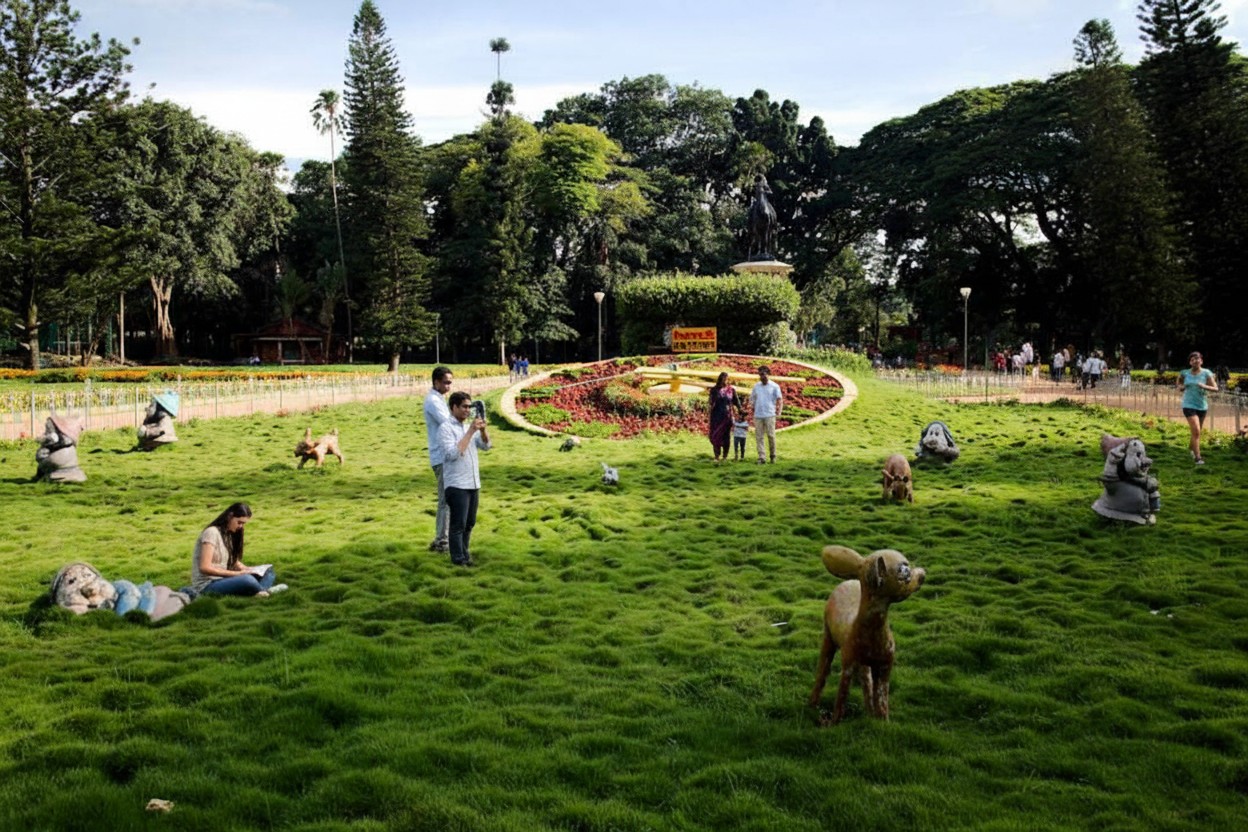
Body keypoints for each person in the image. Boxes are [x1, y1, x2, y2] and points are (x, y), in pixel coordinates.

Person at [438, 391, 492, 567]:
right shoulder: (446, 428)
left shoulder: (470, 426)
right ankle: (458, 559)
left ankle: (464, 554)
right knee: (458, 524)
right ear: (454, 407)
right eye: (464, 407)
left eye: (469, 407)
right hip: (456, 483)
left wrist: (483, 431)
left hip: (473, 482)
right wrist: (470, 431)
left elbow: (486, 446)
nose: (468, 410)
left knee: (470, 522)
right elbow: (452, 454)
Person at [190, 503, 286, 597]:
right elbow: (205, 567)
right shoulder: (211, 532)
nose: (241, 527)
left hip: (223, 579)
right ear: (230, 516)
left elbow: (232, 561)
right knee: (248, 580)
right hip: (208, 584)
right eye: (239, 522)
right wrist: (237, 574)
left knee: (268, 571)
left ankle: (259, 592)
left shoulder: (228, 534)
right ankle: (264, 591)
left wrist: (248, 569)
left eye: (243, 524)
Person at [424, 366, 454, 553]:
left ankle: (443, 539)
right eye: (446, 382)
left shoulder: (440, 399)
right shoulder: (433, 401)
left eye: (450, 382)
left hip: (445, 455)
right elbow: (448, 423)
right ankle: (441, 541)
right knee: (446, 500)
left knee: (449, 500)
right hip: (441, 456)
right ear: (436, 382)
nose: (448, 386)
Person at [1177, 351, 1217, 465]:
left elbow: (1215, 388)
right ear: (1190, 362)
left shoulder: (1206, 373)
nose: (1195, 360)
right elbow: (1178, 383)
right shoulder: (1184, 373)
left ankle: (1191, 449)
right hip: (1188, 405)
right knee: (1197, 431)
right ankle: (1198, 458)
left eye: (1197, 358)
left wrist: (1203, 386)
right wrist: (1181, 387)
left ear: (1201, 361)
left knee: (1196, 432)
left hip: (1202, 406)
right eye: (1193, 359)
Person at [750, 365, 783, 463]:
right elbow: (752, 399)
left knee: (771, 435)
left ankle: (773, 456)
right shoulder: (756, 386)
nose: (762, 377)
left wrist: (779, 411)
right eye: (760, 375)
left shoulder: (774, 386)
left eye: (763, 374)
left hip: (770, 414)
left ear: (768, 374)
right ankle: (762, 457)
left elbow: (780, 400)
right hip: (758, 415)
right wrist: (752, 407)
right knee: (759, 437)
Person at [707, 372, 738, 463]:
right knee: (715, 436)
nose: (725, 381)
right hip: (716, 417)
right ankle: (716, 456)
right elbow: (710, 403)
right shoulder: (714, 390)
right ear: (720, 379)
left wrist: (741, 411)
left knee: (726, 437)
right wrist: (708, 412)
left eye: (727, 379)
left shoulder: (731, 390)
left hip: (727, 417)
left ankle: (725, 456)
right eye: (723, 379)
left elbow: (736, 402)